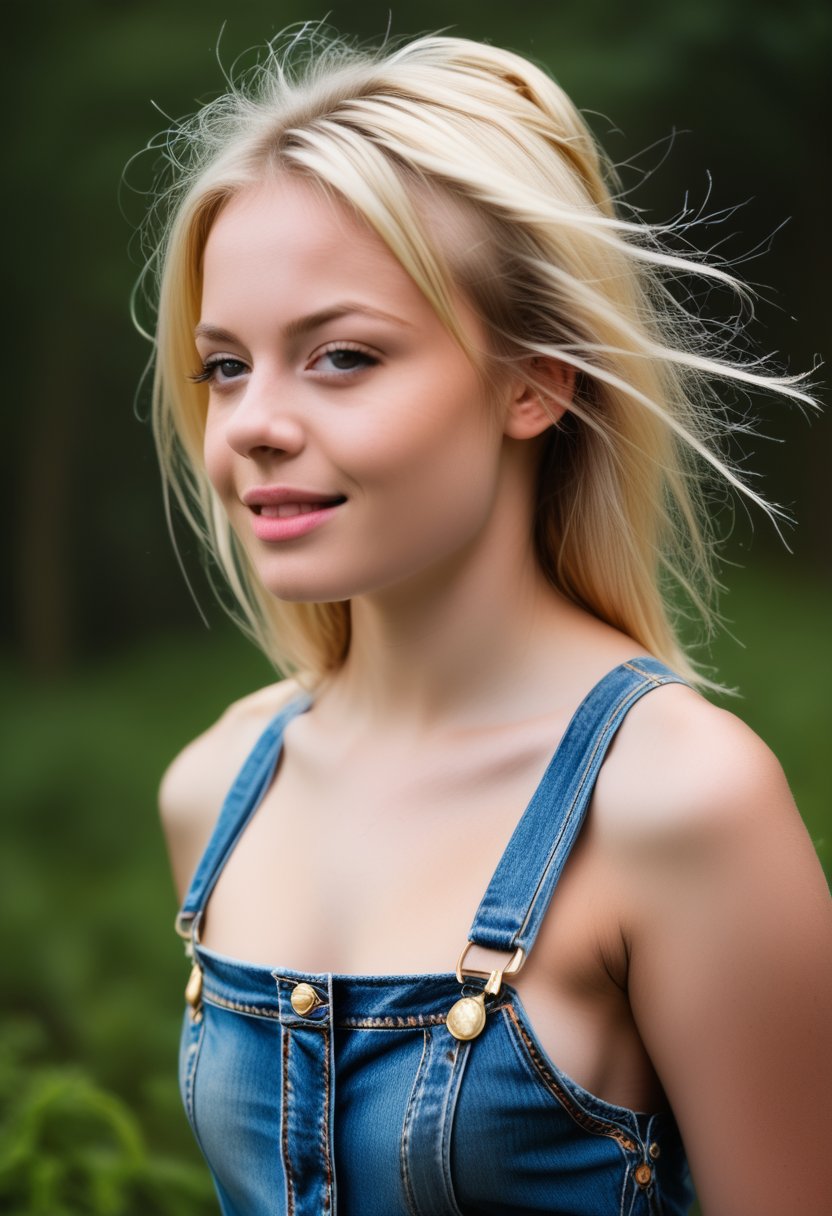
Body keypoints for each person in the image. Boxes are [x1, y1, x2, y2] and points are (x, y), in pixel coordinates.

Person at [141, 26, 832, 1216]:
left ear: (534, 381)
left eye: (342, 356)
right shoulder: (217, 788)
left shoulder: (681, 803)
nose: (253, 422)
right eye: (223, 367)